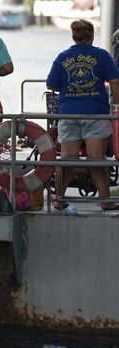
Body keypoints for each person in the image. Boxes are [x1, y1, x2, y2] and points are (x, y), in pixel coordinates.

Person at [47, 19, 119, 210]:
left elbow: (51, 84)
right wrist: (118, 105)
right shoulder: (102, 56)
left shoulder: (62, 57)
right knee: (96, 158)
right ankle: (105, 201)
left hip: (69, 113)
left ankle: (59, 200)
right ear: (91, 36)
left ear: (74, 37)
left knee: (67, 158)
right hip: (96, 113)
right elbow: (115, 81)